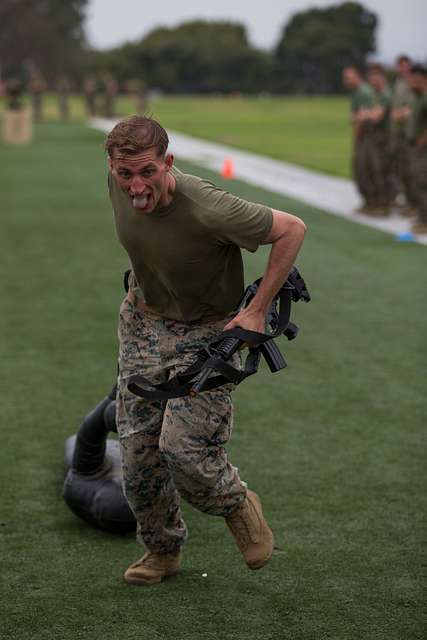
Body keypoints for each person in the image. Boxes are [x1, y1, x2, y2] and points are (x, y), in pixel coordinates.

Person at [105, 115, 306, 585]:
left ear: (168, 164)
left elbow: (292, 229)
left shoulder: (207, 207)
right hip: (142, 321)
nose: (136, 186)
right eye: (125, 174)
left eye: (148, 172)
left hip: (206, 332)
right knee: (137, 455)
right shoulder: (119, 176)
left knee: (184, 452)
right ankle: (162, 550)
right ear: (112, 167)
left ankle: (236, 503)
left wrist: (256, 311)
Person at [342, 66, 376, 214]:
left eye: (349, 78)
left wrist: (356, 137)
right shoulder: (356, 92)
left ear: (357, 76)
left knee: (365, 168)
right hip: (364, 136)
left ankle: (374, 202)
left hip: (367, 137)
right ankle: (369, 202)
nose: (346, 81)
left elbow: (362, 118)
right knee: (361, 169)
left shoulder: (363, 92)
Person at [390, 55, 416, 213]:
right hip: (397, 132)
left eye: (405, 66)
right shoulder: (398, 82)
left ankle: (415, 203)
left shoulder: (413, 83)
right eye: (400, 66)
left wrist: (401, 114)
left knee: (412, 170)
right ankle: (408, 201)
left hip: (409, 134)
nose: (402, 69)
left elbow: (412, 107)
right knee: (399, 168)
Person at [365, 63, 393, 215]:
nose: (373, 80)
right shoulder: (376, 95)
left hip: (384, 140)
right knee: (374, 171)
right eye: (371, 77)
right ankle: (377, 203)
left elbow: (376, 117)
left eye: (376, 77)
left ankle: (385, 205)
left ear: (382, 77)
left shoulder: (385, 95)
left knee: (382, 171)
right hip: (376, 139)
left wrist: (366, 114)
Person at [406, 65, 427, 234]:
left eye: (416, 80)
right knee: (416, 181)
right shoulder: (417, 97)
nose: (413, 82)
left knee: (422, 182)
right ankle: (421, 216)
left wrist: (423, 140)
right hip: (415, 147)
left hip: (423, 149)